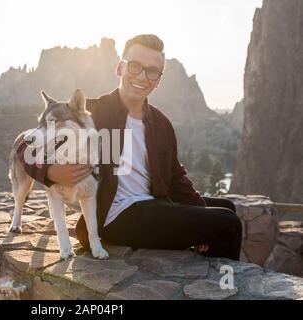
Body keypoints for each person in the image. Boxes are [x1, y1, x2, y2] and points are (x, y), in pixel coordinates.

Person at [17, 34, 242, 260]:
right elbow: (24, 148)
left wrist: (200, 216)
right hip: (115, 217)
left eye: (152, 71)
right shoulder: (91, 113)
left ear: (158, 79)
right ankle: (224, 289)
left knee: (226, 207)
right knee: (227, 223)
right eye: (135, 67)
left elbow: (175, 177)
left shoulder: (161, 123)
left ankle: (206, 274)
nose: (142, 77)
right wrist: (50, 172)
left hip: (153, 203)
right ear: (120, 68)